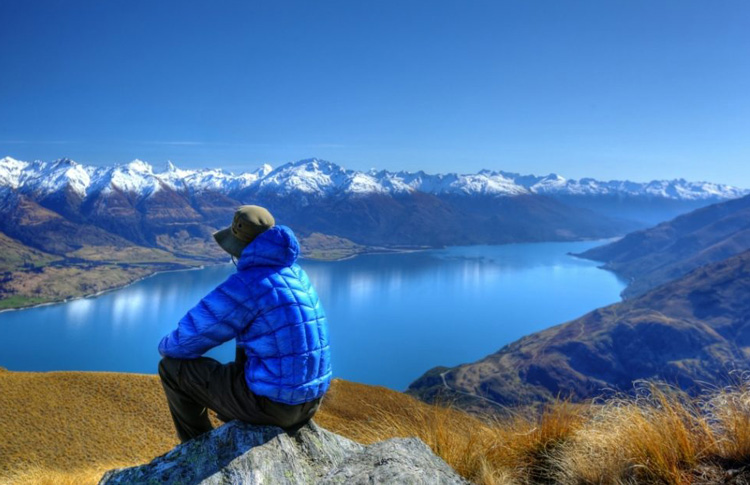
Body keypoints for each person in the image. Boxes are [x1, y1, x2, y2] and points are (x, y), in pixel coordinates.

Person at [157, 205, 331, 443]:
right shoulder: (296, 273)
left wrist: (165, 344)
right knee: (252, 342)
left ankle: (198, 447)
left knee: (172, 369)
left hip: (273, 407)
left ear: (240, 248)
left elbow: (186, 339)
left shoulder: (248, 284)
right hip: (310, 402)